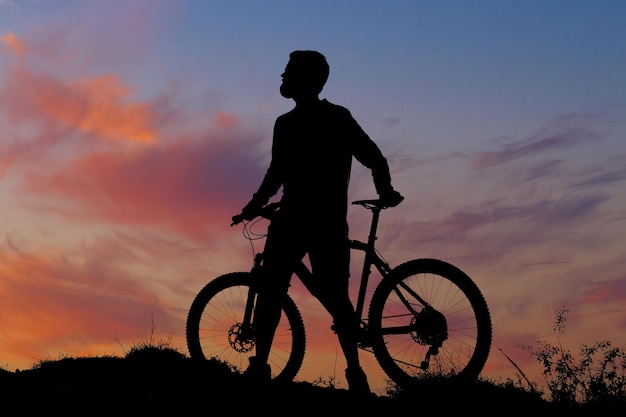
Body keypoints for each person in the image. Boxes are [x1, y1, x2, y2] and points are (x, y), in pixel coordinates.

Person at [233, 50, 403, 395]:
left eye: (288, 73)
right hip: (301, 219)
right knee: (292, 292)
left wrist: (385, 189)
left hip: (314, 221)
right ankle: (269, 366)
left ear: (307, 79)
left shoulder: (332, 118)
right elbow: (277, 173)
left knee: (299, 293)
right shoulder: (291, 122)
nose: (281, 77)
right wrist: (254, 205)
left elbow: (372, 156)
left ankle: (350, 373)